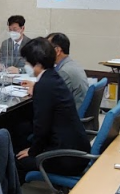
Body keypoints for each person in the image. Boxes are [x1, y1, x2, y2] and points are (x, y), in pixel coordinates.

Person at [14, 39, 91, 178]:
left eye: (27, 62)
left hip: (67, 158)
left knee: (18, 160)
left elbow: (41, 126)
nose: (26, 65)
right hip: (77, 149)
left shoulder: (44, 85)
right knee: (22, 132)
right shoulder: (53, 77)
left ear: (37, 63)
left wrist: (33, 151)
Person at [46, 32, 89, 110]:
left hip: (71, 114)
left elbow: (52, 98)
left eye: (47, 49)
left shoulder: (64, 72)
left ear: (57, 51)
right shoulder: (72, 64)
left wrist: (36, 90)